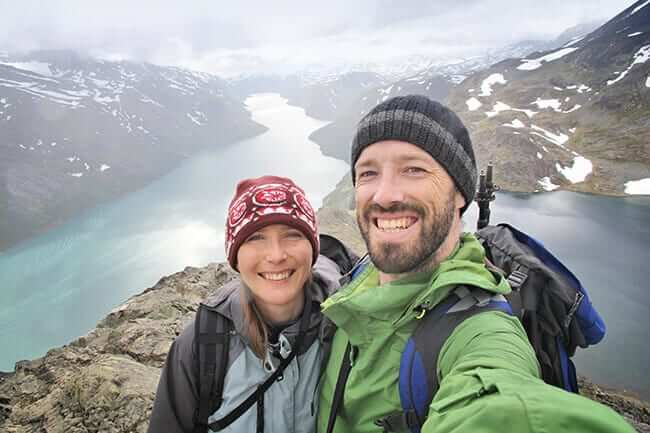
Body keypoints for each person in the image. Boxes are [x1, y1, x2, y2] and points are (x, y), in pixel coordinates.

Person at [316, 95, 635, 433]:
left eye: (413, 169)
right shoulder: (354, 283)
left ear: (459, 194)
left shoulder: (478, 330)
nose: (384, 195)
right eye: (368, 173)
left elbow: (501, 402)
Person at [148, 175, 353, 433]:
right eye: (256, 238)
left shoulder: (346, 323)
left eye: (292, 235)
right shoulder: (204, 344)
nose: (277, 255)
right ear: (235, 256)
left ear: (312, 249)